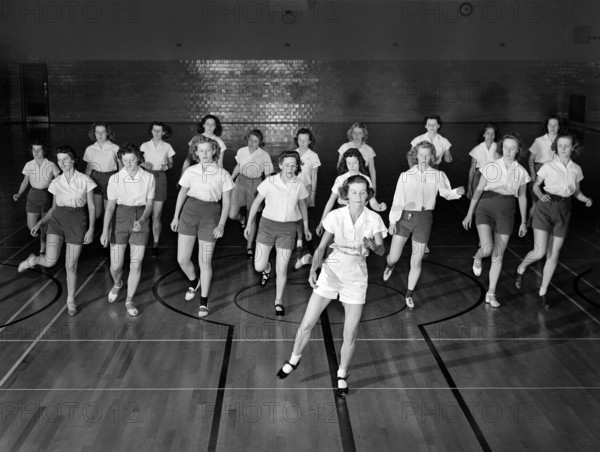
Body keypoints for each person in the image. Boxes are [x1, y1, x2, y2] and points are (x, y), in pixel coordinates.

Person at [276, 175, 386, 398]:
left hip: (356, 275)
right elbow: (321, 247)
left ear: (368, 195)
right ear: (346, 194)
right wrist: (314, 269)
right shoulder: (336, 216)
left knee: (350, 332)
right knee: (307, 323)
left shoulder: (373, 219)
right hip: (332, 269)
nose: (358, 197)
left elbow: (381, 250)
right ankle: (294, 359)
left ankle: (342, 374)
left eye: (363, 192)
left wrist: (372, 245)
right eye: (354, 192)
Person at [382, 141, 464, 309]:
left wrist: (457, 192)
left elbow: (446, 193)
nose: (424, 158)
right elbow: (398, 200)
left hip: (424, 220)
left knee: (416, 261)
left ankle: (409, 294)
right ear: (416, 155)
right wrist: (392, 221)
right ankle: (390, 265)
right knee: (393, 256)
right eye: (421, 155)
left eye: (427, 155)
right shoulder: (405, 175)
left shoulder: (438, 175)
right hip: (404, 218)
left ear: (432, 156)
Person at [515, 133, 593, 307]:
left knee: (553, 255)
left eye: (567, 145)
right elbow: (535, 186)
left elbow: (576, 192)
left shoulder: (576, 169)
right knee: (540, 252)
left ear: (573, 147)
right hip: (546, 208)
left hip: (564, 210)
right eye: (560, 145)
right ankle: (521, 268)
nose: (563, 148)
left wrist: (585, 198)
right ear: (556, 147)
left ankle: (543, 292)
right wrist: (541, 195)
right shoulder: (548, 166)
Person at [17, 145, 96, 316]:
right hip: (57, 221)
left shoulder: (85, 180)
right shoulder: (55, 182)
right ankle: (33, 260)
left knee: (71, 265)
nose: (62, 163)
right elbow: (53, 209)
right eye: (59, 160)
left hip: (77, 222)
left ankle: (70, 300)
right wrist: (39, 223)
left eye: (66, 159)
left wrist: (91, 229)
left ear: (73, 159)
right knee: (51, 260)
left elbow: (91, 206)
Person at [462, 133, 530, 308]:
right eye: (505, 147)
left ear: (518, 150)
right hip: (486, 206)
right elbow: (478, 191)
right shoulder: (491, 166)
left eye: (512, 148)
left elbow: (522, 198)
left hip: (507, 210)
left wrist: (523, 221)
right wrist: (470, 213)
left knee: (498, 255)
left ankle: (491, 293)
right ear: (502, 148)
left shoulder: (522, 172)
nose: (508, 151)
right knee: (487, 248)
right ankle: (478, 256)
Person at [170, 135, 234, 317]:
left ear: (214, 150)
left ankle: (204, 301)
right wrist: (176, 217)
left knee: (204, 261)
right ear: (196, 153)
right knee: (182, 259)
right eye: (201, 150)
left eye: (208, 150)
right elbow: (182, 194)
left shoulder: (223, 174)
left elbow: (227, 203)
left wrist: (221, 224)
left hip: (211, 216)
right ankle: (193, 280)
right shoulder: (190, 171)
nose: (205, 153)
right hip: (190, 213)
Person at [244, 151, 311, 317]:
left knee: (282, 270)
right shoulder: (270, 181)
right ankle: (267, 267)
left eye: (293, 165)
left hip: (287, 230)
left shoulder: (299, 184)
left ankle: (279, 300)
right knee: (259, 266)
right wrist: (249, 224)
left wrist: (306, 226)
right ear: (280, 165)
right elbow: (256, 202)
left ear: (297, 167)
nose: (290, 168)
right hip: (267, 226)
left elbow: (302, 206)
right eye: (286, 165)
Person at [100, 143, 155, 317]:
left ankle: (129, 300)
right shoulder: (115, 179)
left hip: (140, 219)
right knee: (115, 266)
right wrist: (104, 231)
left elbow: (150, 204)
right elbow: (109, 208)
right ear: (121, 161)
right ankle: (117, 284)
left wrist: (142, 219)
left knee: (135, 264)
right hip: (120, 219)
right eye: (125, 161)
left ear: (138, 158)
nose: (129, 164)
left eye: (132, 160)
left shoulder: (148, 178)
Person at [316, 148, 386, 237]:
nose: (352, 166)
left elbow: (372, 201)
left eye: (354, 163)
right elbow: (330, 202)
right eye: (349, 163)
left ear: (359, 162)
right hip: (343, 217)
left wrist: (379, 207)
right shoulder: (340, 179)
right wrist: (321, 223)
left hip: (361, 216)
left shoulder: (366, 179)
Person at [229, 129, 274, 259]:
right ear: (247, 139)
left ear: (260, 142)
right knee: (232, 215)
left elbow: (268, 175)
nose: (252, 143)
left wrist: (267, 192)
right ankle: (241, 219)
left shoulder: (264, 155)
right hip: (240, 181)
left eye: (255, 141)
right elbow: (238, 166)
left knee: (252, 217)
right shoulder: (241, 151)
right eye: (250, 140)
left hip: (255, 185)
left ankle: (249, 245)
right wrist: (231, 178)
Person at [13, 139, 59, 253]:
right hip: (32, 196)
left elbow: (58, 180)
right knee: (31, 226)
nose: (36, 152)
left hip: (46, 196)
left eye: (39, 150)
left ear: (44, 151)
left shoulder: (51, 164)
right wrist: (19, 194)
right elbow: (25, 181)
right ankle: (45, 238)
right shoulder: (29, 164)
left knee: (44, 226)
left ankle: (42, 249)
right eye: (34, 150)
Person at [140, 121, 176, 258]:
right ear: (151, 131)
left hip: (160, 178)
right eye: (154, 130)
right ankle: (140, 241)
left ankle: (155, 243)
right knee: (143, 213)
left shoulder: (167, 146)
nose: (156, 133)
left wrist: (167, 166)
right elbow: (137, 161)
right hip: (145, 178)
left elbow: (171, 163)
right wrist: (143, 163)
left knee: (156, 216)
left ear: (163, 132)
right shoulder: (144, 145)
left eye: (159, 131)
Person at [527, 116, 564, 224]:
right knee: (536, 202)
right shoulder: (539, 140)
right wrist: (533, 174)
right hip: (539, 171)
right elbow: (531, 160)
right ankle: (529, 223)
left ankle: (547, 224)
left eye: (555, 125)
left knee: (552, 202)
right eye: (550, 125)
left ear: (559, 127)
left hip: (555, 174)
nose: (552, 127)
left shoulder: (563, 141)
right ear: (546, 126)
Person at [293, 128, 321, 269]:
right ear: (297, 140)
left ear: (310, 141)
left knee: (305, 218)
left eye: (306, 140)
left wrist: (313, 194)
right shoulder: (293, 154)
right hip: (294, 189)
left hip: (307, 189)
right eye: (300, 139)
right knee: (295, 217)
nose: (303, 142)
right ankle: (299, 243)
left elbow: (314, 177)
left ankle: (308, 247)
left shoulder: (313, 156)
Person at [83, 121, 120, 222]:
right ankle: (93, 234)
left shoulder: (115, 148)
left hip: (110, 179)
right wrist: (85, 182)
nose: (100, 135)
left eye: (103, 132)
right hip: (95, 179)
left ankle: (108, 236)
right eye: (97, 132)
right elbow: (88, 168)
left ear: (107, 132)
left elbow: (121, 168)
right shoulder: (90, 149)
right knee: (97, 213)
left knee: (109, 213)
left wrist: (119, 182)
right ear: (94, 133)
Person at [336, 122, 377, 192]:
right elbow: (339, 167)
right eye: (354, 133)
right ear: (351, 134)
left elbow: (372, 171)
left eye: (359, 133)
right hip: (346, 183)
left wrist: (374, 188)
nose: (357, 135)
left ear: (363, 134)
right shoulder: (344, 147)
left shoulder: (369, 150)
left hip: (362, 184)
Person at [467, 123, 500, 199]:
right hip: (479, 177)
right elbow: (472, 170)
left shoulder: (499, 148)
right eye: (488, 133)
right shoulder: (477, 149)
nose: (490, 136)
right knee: (476, 202)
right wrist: (469, 187)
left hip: (494, 179)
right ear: (484, 135)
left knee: (492, 202)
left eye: (493, 134)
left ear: (495, 136)